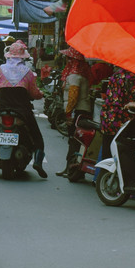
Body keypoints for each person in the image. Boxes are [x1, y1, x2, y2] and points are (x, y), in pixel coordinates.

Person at [0, 40, 47, 177]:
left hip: (2, 110)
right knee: (37, 136)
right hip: (22, 111)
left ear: (9, 55)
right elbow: (34, 93)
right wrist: (41, 95)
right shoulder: (28, 72)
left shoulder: (1, 69)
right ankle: (38, 161)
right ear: (23, 57)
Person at [57, 47, 96, 178]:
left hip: (77, 112)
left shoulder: (74, 76)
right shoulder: (82, 74)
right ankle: (72, 168)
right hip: (83, 110)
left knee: (74, 140)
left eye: (69, 58)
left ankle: (71, 168)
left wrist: (68, 113)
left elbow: (73, 97)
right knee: (78, 141)